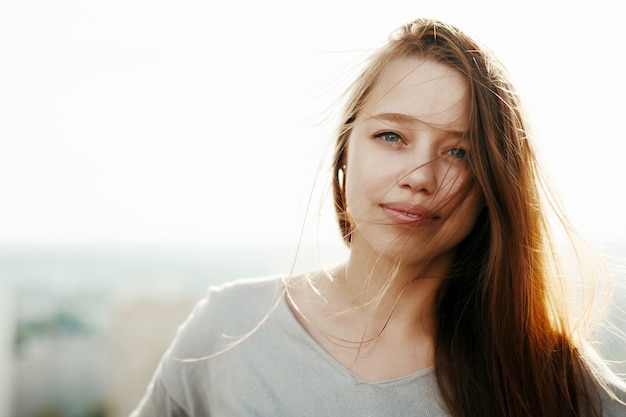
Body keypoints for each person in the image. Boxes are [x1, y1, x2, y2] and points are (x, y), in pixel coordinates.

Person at [131, 18, 626, 417]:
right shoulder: (229, 327)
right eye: (392, 136)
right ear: (346, 149)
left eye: (459, 152)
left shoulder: (549, 377)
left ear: (493, 186)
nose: (420, 176)